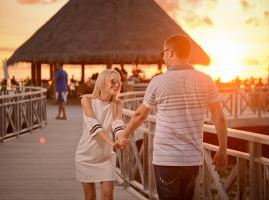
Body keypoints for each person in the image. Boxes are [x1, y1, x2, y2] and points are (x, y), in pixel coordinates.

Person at [118, 35, 228, 200]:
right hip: (192, 158)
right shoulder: (206, 80)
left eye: (163, 52)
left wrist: (124, 134)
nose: (162, 57)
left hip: (166, 158)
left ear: (171, 52)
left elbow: (140, 114)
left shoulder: (158, 82)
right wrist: (223, 148)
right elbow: (220, 118)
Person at [75, 69, 130, 200]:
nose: (117, 85)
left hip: (106, 156)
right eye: (113, 81)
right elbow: (95, 127)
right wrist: (113, 143)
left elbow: (117, 125)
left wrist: (121, 138)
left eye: (119, 82)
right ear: (102, 82)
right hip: (86, 155)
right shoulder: (87, 100)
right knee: (90, 197)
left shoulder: (118, 104)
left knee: (108, 195)